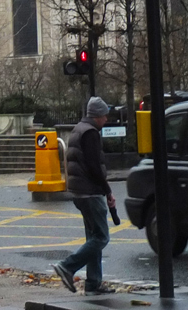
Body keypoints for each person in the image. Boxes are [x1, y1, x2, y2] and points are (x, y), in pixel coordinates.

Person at [53, 96, 116, 294]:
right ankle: (67, 266)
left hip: (79, 191)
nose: (106, 119)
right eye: (105, 115)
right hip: (90, 192)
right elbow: (94, 166)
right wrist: (107, 190)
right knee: (102, 237)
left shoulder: (79, 129)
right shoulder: (90, 133)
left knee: (93, 237)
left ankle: (93, 283)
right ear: (97, 115)